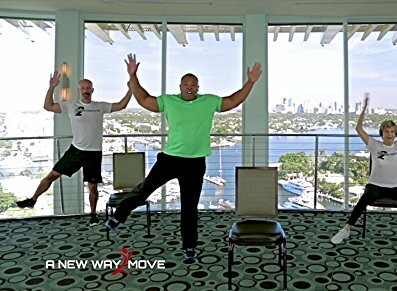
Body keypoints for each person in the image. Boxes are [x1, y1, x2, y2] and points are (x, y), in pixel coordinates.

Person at [105, 53, 262, 261]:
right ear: (180, 86)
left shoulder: (208, 101)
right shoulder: (169, 101)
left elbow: (233, 101)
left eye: (193, 84)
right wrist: (133, 75)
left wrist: (250, 82)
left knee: (189, 208)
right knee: (144, 190)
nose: (189, 87)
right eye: (186, 84)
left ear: (198, 88)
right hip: (169, 160)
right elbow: (143, 99)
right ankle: (119, 216)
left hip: (195, 164)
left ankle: (189, 247)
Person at [16, 72, 133, 226]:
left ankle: (92, 215)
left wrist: (131, 89)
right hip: (76, 151)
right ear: (79, 90)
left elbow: (121, 105)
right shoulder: (71, 106)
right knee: (52, 175)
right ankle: (32, 200)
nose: (85, 90)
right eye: (83, 88)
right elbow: (48, 106)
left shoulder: (100, 106)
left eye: (88, 88)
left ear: (92, 90)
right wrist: (51, 87)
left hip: (94, 153)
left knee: (93, 187)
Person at [330, 96, 397, 251]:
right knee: (364, 198)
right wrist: (363, 109)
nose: (389, 134)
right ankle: (346, 229)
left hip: (396, 187)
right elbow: (358, 129)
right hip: (375, 185)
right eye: (387, 131)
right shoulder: (374, 145)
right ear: (382, 133)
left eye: (393, 131)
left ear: (396, 134)